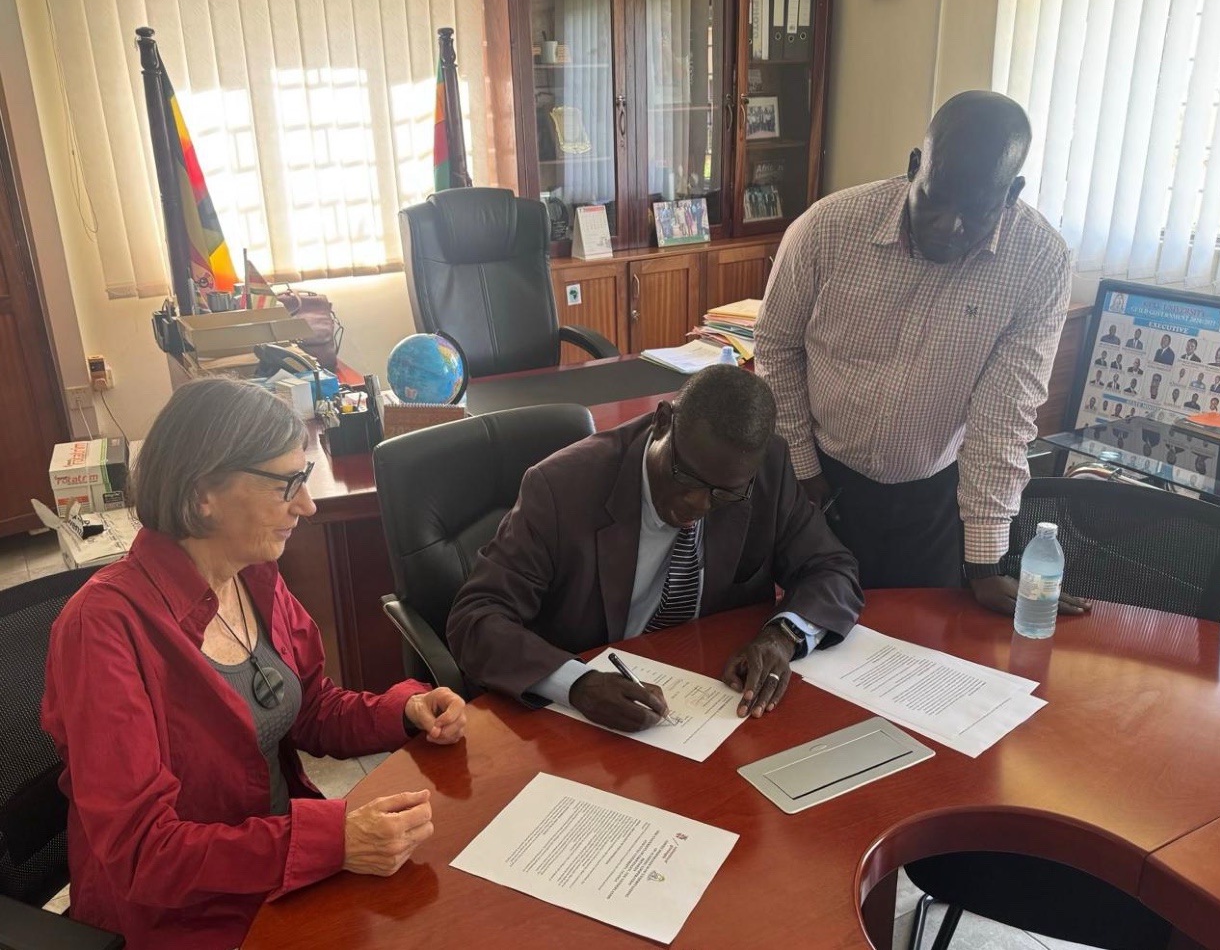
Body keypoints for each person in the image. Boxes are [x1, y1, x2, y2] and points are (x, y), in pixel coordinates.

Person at [41, 380, 468, 949]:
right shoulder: (101, 629)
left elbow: (310, 708)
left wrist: (405, 712)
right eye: (286, 483)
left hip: (278, 870)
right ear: (203, 494)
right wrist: (334, 840)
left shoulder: (254, 575)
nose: (307, 505)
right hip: (187, 915)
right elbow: (144, 853)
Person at [754, 90, 1087, 616]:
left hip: (934, 490)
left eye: (975, 213)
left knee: (919, 638)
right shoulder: (827, 227)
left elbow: (1004, 417)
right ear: (915, 166)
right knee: (806, 627)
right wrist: (801, 467)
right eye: (934, 200)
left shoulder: (1039, 262)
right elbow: (776, 347)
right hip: (820, 473)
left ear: (1012, 193)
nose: (949, 227)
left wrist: (985, 562)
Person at [447, 366, 863, 730]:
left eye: (724, 494)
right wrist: (577, 683)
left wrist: (783, 636)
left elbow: (831, 567)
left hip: (712, 703)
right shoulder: (562, 488)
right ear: (662, 423)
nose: (697, 504)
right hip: (587, 720)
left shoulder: (766, 469)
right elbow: (476, 618)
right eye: (687, 476)